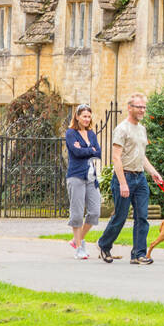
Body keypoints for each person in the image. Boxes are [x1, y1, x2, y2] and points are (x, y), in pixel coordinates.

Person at [97, 92, 164, 264]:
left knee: (142, 216)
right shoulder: (122, 129)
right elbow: (116, 158)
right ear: (129, 108)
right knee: (120, 217)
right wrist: (122, 183)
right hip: (124, 176)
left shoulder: (142, 129)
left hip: (140, 177)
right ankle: (104, 245)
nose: (142, 110)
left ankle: (138, 254)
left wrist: (153, 172)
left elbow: (141, 156)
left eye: (144, 107)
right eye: (139, 107)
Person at [65, 103, 102, 260]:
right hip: (76, 176)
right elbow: (76, 152)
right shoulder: (71, 133)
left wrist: (88, 150)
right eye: (84, 116)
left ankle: (76, 239)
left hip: (91, 177)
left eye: (89, 116)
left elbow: (98, 152)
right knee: (78, 213)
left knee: (94, 212)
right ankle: (80, 247)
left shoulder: (91, 134)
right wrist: (90, 150)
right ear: (77, 117)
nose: (87, 119)